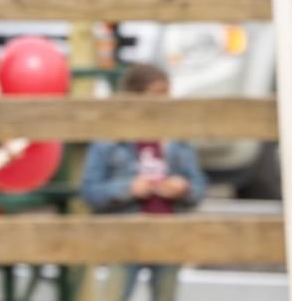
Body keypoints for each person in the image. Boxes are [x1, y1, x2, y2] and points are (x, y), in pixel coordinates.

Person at [79, 63, 207, 301]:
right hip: (125, 233)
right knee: (114, 294)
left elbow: (199, 188)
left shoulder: (176, 138)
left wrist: (183, 188)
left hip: (168, 234)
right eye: (157, 94)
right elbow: (89, 191)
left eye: (167, 94)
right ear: (135, 96)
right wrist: (128, 189)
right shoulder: (110, 139)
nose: (164, 101)